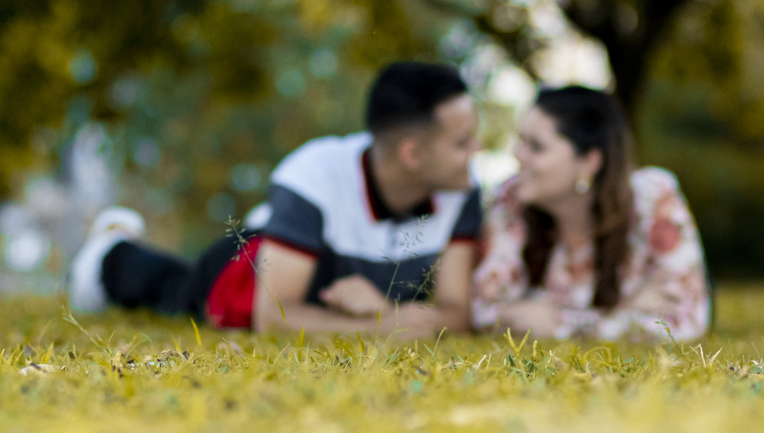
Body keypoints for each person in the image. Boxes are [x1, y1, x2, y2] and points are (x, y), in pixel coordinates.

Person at [69, 61, 483, 337]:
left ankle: (280, 232)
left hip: (308, 268)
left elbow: (457, 314)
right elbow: (275, 318)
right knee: (179, 292)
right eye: (463, 142)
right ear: (412, 154)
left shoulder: (460, 189)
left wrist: (385, 313)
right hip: (247, 269)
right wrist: (385, 324)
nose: (477, 150)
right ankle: (110, 252)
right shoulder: (314, 174)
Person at [472, 86, 710, 341]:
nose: (518, 155)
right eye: (521, 142)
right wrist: (627, 313)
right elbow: (486, 312)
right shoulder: (512, 200)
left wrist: (564, 325)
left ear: (589, 161)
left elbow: (687, 318)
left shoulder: (652, 197)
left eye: (537, 147)